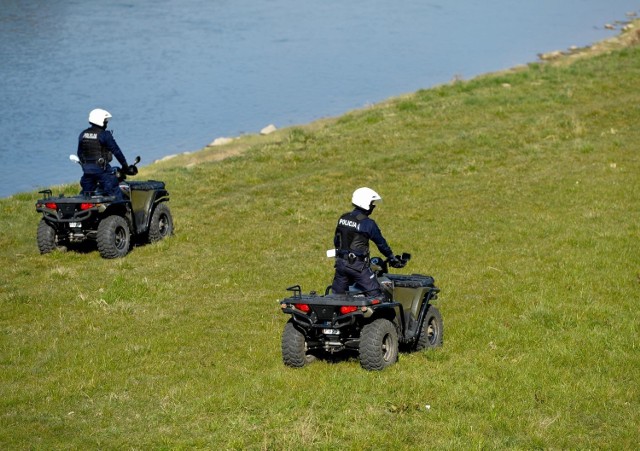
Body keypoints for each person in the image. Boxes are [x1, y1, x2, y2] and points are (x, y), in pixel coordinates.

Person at [330, 187, 403, 296]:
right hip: (358, 267)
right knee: (377, 296)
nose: (373, 206)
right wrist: (392, 257)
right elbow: (381, 244)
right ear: (366, 204)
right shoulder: (368, 223)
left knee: (336, 297)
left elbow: (337, 240)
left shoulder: (343, 218)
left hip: (340, 264)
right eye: (372, 203)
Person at [77, 108, 130, 199]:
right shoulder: (104, 135)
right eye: (105, 121)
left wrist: (87, 165)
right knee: (115, 195)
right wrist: (125, 165)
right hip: (102, 172)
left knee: (86, 197)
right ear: (100, 121)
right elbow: (116, 151)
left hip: (87, 173)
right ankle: (121, 211)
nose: (106, 123)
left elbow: (79, 153)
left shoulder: (83, 134)